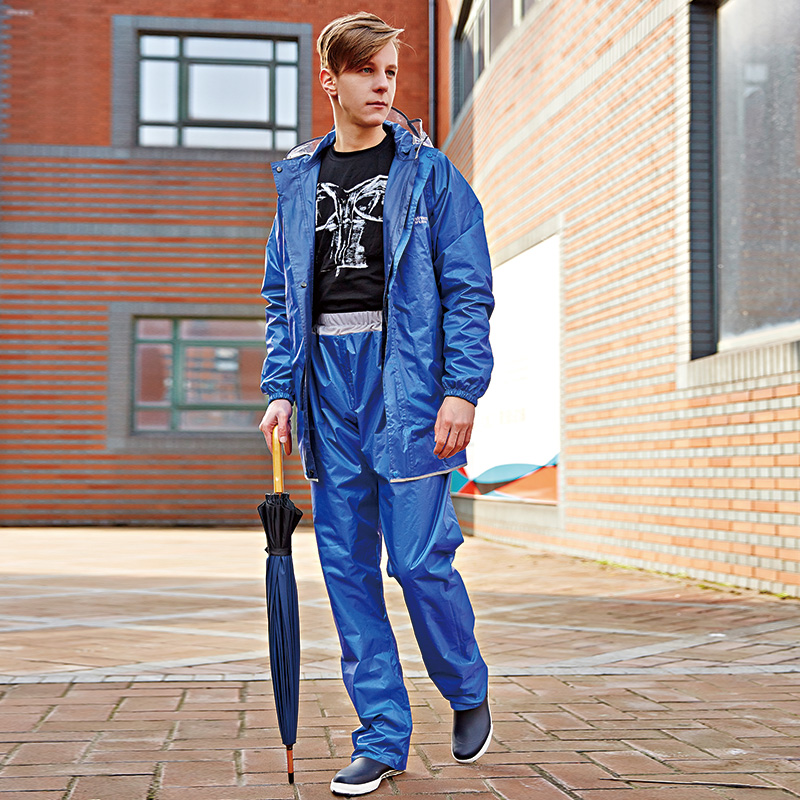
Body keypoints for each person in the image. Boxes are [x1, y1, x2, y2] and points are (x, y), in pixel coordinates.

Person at [259, 12, 494, 796]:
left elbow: (468, 291)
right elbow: (282, 299)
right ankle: (382, 736)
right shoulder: (298, 182)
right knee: (348, 569)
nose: (383, 85)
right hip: (327, 385)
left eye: (391, 71)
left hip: (408, 385)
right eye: (367, 71)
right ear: (331, 79)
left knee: (420, 561)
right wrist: (281, 390)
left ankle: (465, 684)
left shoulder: (430, 175)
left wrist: (461, 388)